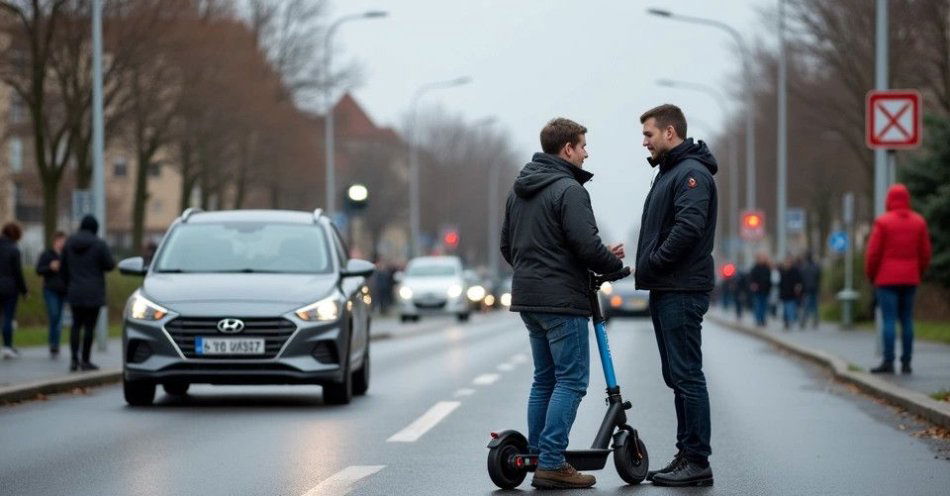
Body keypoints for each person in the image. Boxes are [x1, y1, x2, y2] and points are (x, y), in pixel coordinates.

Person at [500, 117, 624, 489]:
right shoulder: (568, 190)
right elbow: (583, 245)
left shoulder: (518, 191)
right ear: (567, 149)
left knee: (545, 379)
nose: (586, 153)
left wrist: (537, 272)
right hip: (562, 301)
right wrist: (615, 266)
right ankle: (552, 462)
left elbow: (508, 247)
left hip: (529, 298)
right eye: (583, 146)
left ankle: (538, 454)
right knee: (571, 380)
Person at [636, 104, 717, 487]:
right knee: (677, 376)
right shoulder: (672, 172)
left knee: (687, 375)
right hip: (669, 286)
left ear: (670, 133)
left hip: (681, 287)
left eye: (649, 134)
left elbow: (688, 227)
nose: (644, 142)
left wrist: (655, 260)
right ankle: (686, 454)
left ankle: (697, 459)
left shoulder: (690, 174)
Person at [865, 184, 931, 374]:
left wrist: (872, 275)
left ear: (889, 200)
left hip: (886, 279)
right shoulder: (918, 222)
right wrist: (918, 271)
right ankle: (907, 361)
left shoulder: (883, 222)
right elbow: (925, 252)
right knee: (907, 320)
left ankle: (888, 360)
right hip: (910, 278)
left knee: (889, 320)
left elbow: (873, 253)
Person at [62, 215, 116, 372]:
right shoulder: (99, 244)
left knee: (75, 325)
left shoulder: (69, 243)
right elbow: (110, 265)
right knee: (89, 328)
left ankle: (73, 360)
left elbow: (63, 268)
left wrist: (69, 285)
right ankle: (85, 360)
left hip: (75, 290)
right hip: (94, 292)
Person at [37, 231, 68, 357]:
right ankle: (53, 343)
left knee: (59, 318)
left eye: (64, 241)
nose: (63, 243)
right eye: (61, 241)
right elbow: (39, 270)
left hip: (63, 291)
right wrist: (50, 267)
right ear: (55, 241)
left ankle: (55, 343)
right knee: (54, 315)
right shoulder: (47, 255)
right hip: (50, 290)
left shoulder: (66, 256)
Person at [0, 222, 28, 358]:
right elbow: (18, 273)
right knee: (8, 318)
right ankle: (7, 347)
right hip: (9, 288)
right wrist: (24, 291)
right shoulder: (14, 249)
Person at [778, 256, 803, 330]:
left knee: (791, 308)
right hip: (784, 293)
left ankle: (791, 321)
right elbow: (780, 283)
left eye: (789, 262)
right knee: (785, 309)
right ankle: (786, 322)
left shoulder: (795, 271)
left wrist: (798, 288)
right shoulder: (782, 271)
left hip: (792, 293)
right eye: (786, 262)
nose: (787, 264)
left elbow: (799, 281)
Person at [798, 252, 821, 329]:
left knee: (806, 306)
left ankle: (803, 322)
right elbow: (819, 277)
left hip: (806, 290)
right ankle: (815, 321)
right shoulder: (816, 267)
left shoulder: (804, 267)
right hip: (814, 289)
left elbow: (801, 278)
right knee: (814, 306)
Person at [749, 253, 772, 327]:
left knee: (764, 306)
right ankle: (758, 319)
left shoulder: (767, 268)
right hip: (758, 290)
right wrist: (753, 284)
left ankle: (763, 319)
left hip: (765, 290)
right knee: (758, 305)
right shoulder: (755, 268)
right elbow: (751, 279)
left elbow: (769, 279)